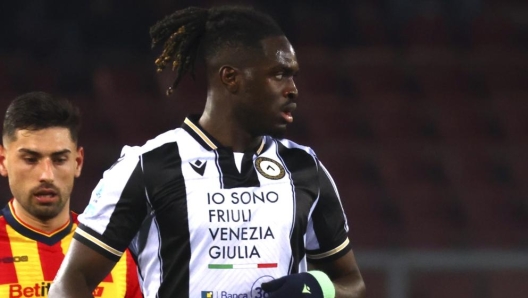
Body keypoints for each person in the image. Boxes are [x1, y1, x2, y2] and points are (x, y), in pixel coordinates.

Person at [50, 5, 366, 298]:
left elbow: (352, 283)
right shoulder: (148, 167)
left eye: (293, 75)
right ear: (230, 78)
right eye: (279, 74)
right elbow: (69, 283)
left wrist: (316, 286)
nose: (293, 89)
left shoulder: (304, 168)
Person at [0, 92, 142, 298]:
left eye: (59, 160)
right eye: (30, 159)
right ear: (3, 161)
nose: (46, 175)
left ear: (78, 162)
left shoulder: (115, 254)